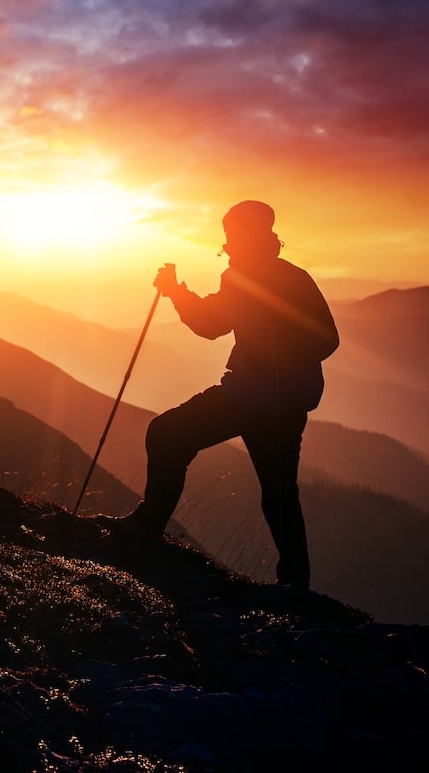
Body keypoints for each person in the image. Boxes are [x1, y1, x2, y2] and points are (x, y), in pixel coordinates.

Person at [120, 200, 339, 589]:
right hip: (279, 401)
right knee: (279, 493)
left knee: (168, 433)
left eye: (233, 233)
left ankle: (147, 527)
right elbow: (324, 339)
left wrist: (175, 292)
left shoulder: (258, 277)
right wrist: (178, 292)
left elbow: (212, 325)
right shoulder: (275, 276)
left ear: (249, 234)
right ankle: (295, 583)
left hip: (253, 397)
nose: (228, 240)